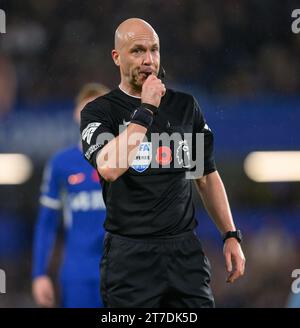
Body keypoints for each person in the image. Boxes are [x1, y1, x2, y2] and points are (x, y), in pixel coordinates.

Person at [80, 18, 245, 308]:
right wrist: (146, 109)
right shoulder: (99, 112)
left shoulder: (185, 107)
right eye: (138, 51)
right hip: (130, 258)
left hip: (184, 254)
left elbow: (205, 176)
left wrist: (230, 234)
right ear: (117, 57)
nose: (148, 60)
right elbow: (109, 167)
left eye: (154, 50)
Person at [32, 83, 110, 308]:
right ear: (77, 114)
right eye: (88, 108)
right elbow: (46, 223)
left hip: (123, 271)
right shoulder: (61, 164)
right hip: (79, 274)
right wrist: (39, 274)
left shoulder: (128, 162)